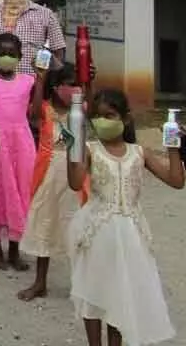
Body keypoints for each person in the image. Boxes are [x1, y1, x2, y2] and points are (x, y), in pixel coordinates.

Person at [67, 89, 183, 346]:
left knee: (121, 293)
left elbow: (176, 180)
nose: (103, 121)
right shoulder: (90, 150)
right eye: (97, 116)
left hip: (131, 233)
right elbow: (76, 183)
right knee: (94, 290)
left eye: (110, 115)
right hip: (98, 231)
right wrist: (71, 150)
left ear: (126, 119)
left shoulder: (139, 152)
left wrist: (174, 147)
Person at [17, 63, 90, 301]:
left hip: (75, 174)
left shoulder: (80, 110)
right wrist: (40, 80)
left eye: (78, 85)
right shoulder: (46, 110)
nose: (75, 90)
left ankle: (83, 285)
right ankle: (40, 282)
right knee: (45, 224)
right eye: (71, 85)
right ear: (57, 88)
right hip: (48, 174)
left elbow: (96, 108)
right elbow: (34, 112)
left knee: (78, 225)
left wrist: (89, 81)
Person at [0, 33, 45, 270]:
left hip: (19, 143)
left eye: (11, 54)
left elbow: (34, 114)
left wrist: (41, 80)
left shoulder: (28, 81)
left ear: (20, 56)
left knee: (19, 191)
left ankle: (14, 249)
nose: (6, 57)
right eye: (1, 53)